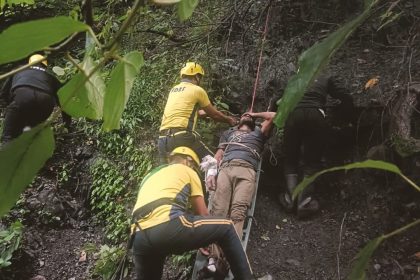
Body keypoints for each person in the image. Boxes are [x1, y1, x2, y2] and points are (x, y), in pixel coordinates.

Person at [130, 146, 253, 280]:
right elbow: (203, 214)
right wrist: (206, 238)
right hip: (167, 224)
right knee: (226, 226)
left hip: (138, 235)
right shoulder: (187, 170)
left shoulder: (149, 176)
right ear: (188, 161)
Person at [279, 73, 354, 218]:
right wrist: (347, 115)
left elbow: (278, 98)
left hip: (294, 115)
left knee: (290, 159)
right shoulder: (325, 76)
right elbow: (344, 95)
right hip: (316, 115)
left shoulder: (293, 77)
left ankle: (290, 200)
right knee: (312, 161)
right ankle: (305, 203)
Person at [210, 111, 276, 237]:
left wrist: (254, 114)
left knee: (238, 212)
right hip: (226, 169)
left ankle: (231, 253)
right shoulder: (228, 133)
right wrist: (211, 174)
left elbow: (274, 116)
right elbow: (218, 155)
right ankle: (214, 254)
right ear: (238, 122)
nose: (247, 116)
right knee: (219, 211)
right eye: (244, 115)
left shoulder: (259, 132)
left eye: (249, 117)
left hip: (247, 169)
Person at [158, 62, 237, 164]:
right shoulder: (197, 90)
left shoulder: (173, 90)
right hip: (182, 137)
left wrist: (205, 113)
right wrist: (229, 119)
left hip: (163, 140)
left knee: (165, 173)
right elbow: (215, 115)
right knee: (212, 164)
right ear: (196, 76)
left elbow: (187, 111)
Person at [0, 54, 70, 144]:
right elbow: (64, 100)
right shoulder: (51, 76)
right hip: (45, 102)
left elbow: (3, 94)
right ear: (45, 65)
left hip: (23, 96)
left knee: (8, 137)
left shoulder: (18, 70)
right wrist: (67, 124)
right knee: (31, 135)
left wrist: (10, 109)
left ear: (29, 63)